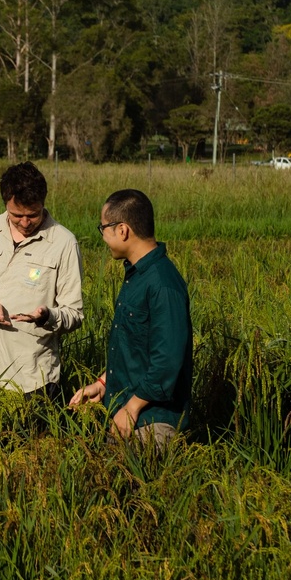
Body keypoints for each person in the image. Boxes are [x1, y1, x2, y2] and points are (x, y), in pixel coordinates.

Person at [69, 189, 192, 446]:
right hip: (127, 412)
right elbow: (134, 347)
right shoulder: (137, 276)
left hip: (152, 421)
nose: (102, 236)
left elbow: (167, 361)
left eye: (103, 228)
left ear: (122, 230)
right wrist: (103, 383)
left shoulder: (162, 284)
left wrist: (133, 407)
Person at [0, 161, 83, 398]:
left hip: (34, 380)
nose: (25, 223)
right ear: (6, 204)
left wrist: (48, 316)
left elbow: (74, 314)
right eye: (17, 215)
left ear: (43, 203)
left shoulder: (64, 243)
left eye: (32, 215)